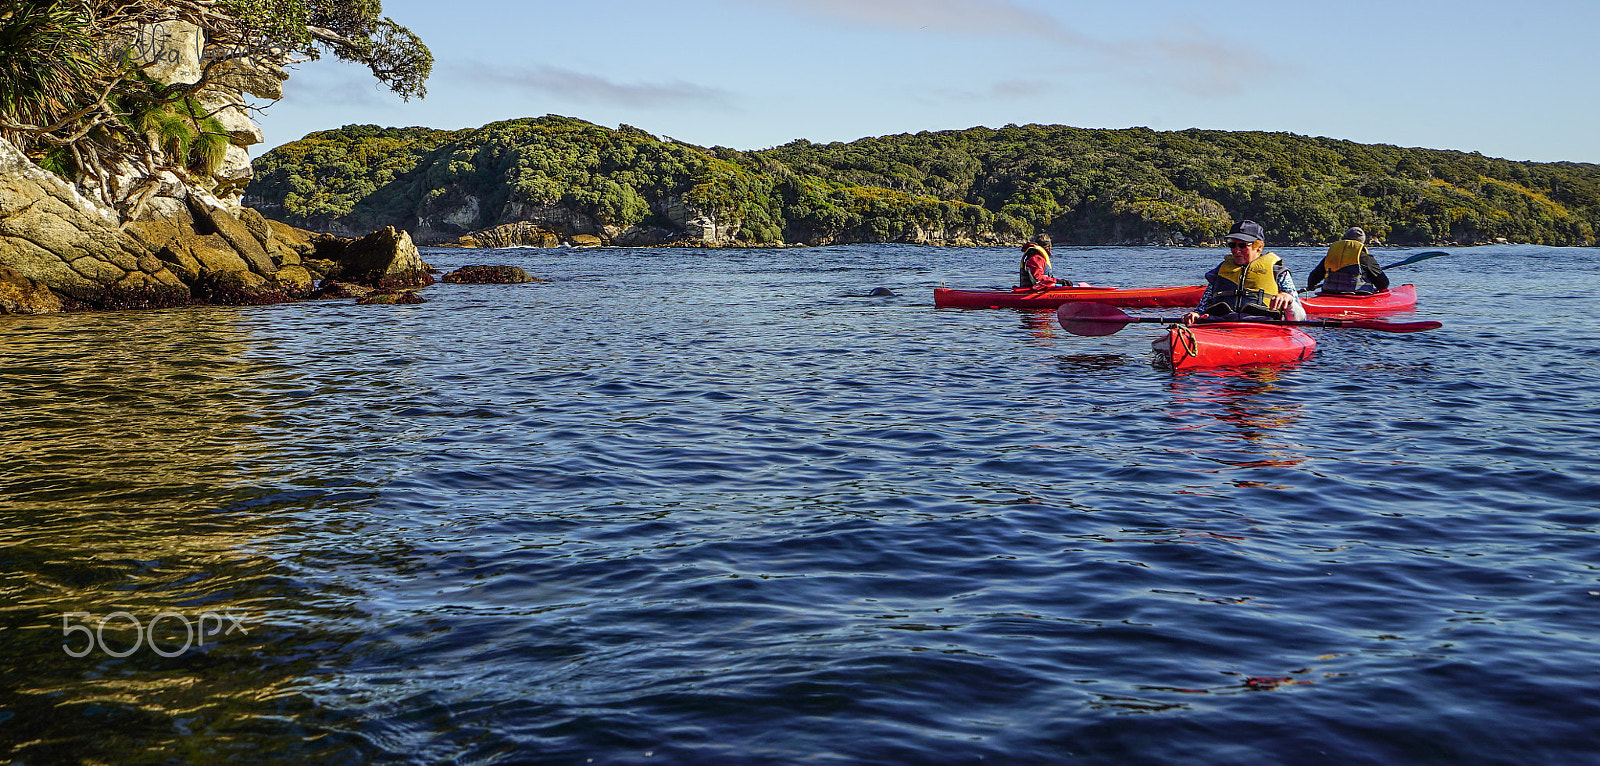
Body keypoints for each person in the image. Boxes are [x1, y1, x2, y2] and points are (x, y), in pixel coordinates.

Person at [1181, 220, 1306, 325]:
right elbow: (1202, 307)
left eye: (1242, 245)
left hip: (1262, 327)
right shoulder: (1219, 271)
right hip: (1221, 325)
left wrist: (1288, 300)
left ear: (1259, 247)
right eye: (1232, 244)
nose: (1236, 250)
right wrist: (1195, 314)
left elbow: (1300, 318)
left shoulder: (1278, 272)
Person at [1305, 226, 1390, 295]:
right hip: (1356, 295)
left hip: (1329, 293)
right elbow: (1383, 284)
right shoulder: (1366, 259)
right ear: (1362, 243)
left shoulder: (1331, 256)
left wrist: (1312, 285)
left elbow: (1312, 279)